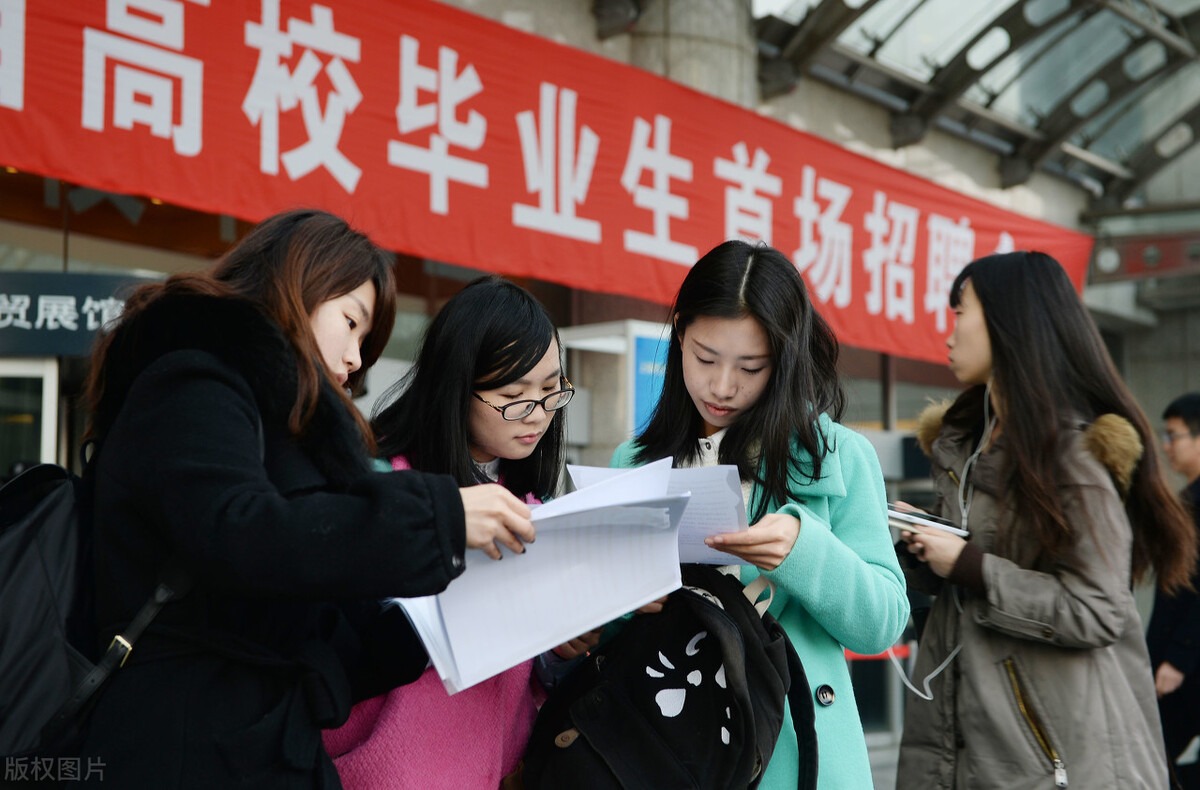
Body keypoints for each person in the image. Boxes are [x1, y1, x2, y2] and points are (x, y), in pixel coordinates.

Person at [77, 209, 535, 788]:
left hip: (263, 745)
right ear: (299, 283)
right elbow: (240, 533)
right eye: (352, 323)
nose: (355, 359)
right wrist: (441, 515)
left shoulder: (282, 430)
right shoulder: (191, 379)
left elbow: (323, 633)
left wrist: (460, 616)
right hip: (181, 747)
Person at [611, 239, 910, 789]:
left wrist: (804, 549)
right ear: (679, 332)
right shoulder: (634, 464)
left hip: (796, 753)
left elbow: (883, 623)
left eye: (751, 367)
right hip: (665, 746)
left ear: (785, 361)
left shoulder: (838, 457)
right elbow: (605, 630)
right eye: (704, 358)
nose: (722, 387)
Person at [894, 251, 1197, 789]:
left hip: (1056, 765)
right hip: (968, 749)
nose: (949, 333)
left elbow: (1098, 607)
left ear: (1009, 321)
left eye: (960, 311)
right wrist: (923, 545)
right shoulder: (964, 447)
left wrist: (970, 566)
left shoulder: (1071, 457)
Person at [322, 275, 589, 788]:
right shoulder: (381, 487)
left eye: (552, 391)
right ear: (456, 387)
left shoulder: (534, 505)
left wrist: (560, 646)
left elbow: (525, 680)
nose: (536, 415)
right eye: (514, 395)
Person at [1148, 392, 1200, 788]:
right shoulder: (1187, 499)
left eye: (1173, 436)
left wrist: (1178, 658)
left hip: (1186, 664)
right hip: (1178, 660)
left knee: (1155, 762)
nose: (1167, 447)